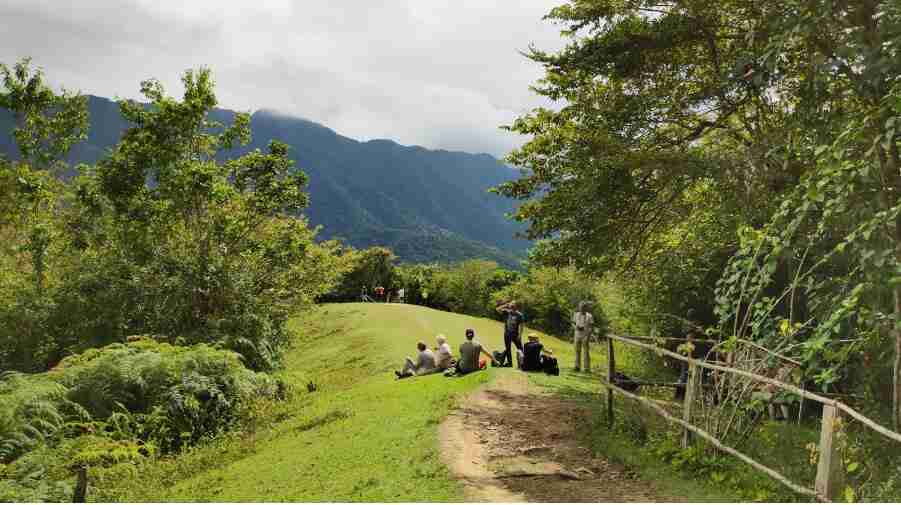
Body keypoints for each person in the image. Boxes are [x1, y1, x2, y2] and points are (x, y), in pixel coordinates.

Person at [496, 300, 525, 368]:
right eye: (511, 304)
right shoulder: (507, 312)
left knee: (520, 348)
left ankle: (523, 362)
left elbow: (522, 326)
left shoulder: (519, 315)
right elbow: (497, 309)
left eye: (513, 304)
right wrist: (505, 305)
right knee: (508, 349)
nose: (512, 305)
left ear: (516, 306)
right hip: (507, 334)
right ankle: (510, 364)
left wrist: (520, 335)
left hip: (515, 335)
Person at [572, 301, 594, 372]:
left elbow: (591, 327)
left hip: (585, 335)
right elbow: (573, 323)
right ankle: (577, 366)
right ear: (579, 307)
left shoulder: (589, 316)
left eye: (583, 307)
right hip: (577, 334)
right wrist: (576, 327)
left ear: (586, 308)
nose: (582, 309)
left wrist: (588, 336)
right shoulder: (576, 314)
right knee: (577, 351)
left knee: (586, 352)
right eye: (580, 307)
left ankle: (587, 368)